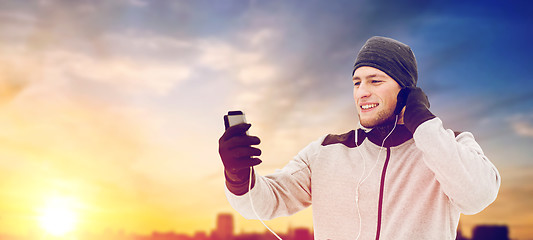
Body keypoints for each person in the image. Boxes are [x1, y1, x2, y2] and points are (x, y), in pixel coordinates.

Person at [218, 36, 500, 240]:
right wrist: (237, 173)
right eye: (357, 82)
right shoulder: (326, 151)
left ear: (406, 91)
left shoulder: (448, 146)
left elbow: (477, 197)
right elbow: (263, 203)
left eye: (375, 81)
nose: (362, 91)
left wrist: (423, 124)